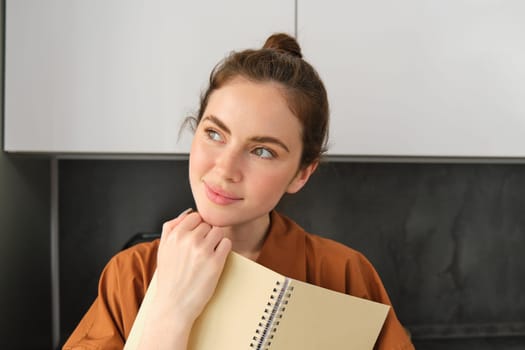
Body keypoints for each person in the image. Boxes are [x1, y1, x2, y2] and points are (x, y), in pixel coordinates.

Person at [63, 33, 414, 350]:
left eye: (263, 151)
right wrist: (169, 312)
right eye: (214, 133)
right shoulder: (133, 275)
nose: (225, 169)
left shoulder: (345, 275)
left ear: (302, 174)